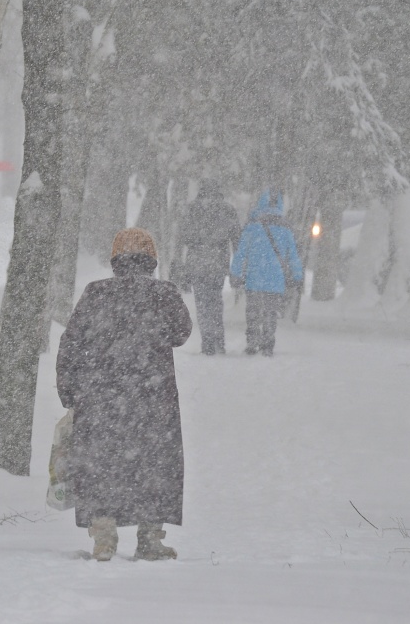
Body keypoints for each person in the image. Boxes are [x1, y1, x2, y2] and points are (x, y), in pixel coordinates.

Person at [56, 228, 192, 561]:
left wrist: (69, 391)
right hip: (152, 398)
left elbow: (71, 343)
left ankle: (103, 538)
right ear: (152, 260)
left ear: (115, 261)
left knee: (101, 465)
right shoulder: (164, 293)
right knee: (154, 466)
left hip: (101, 399)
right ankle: (150, 539)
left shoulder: (96, 293)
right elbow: (181, 333)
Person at [229, 188, 303, 357]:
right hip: (275, 280)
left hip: (254, 279)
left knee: (253, 312)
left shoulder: (252, 227)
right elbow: (293, 256)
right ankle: (268, 343)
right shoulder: (285, 229)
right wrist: (297, 276)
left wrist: (236, 273)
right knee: (270, 312)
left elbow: (241, 254)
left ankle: (252, 342)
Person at [180, 180, 242, 355]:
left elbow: (182, 237)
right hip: (218, 262)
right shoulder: (228, 210)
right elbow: (237, 240)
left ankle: (207, 341)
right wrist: (237, 267)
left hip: (197, 262)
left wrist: (181, 264)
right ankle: (218, 340)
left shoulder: (192, 209)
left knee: (202, 303)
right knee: (215, 300)